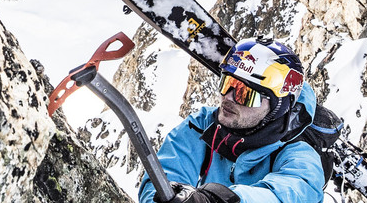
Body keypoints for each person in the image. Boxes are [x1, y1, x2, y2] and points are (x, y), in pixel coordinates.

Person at [138, 37, 325, 203]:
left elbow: (290, 193)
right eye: (227, 84)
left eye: (245, 94)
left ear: (277, 108)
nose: (228, 97)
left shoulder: (299, 155)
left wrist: (221, 198)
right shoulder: (202, 124)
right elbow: (161, 178)